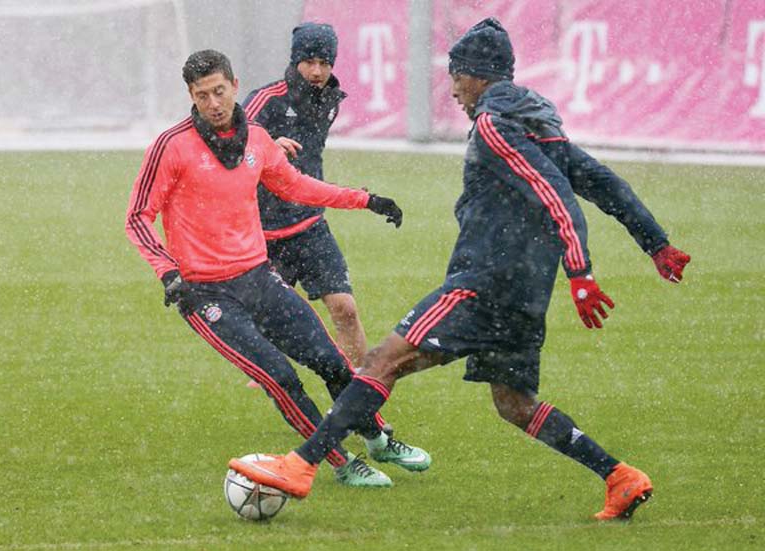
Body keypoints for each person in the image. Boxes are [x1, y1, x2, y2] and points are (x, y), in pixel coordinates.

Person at [229, 19, 691, 521]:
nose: (451, 89)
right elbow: (600, 181)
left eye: (456, 77)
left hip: (481, 285)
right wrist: (656, 243)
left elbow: (559, 197)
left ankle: (301, 465)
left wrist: (581, 273)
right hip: (525, 295)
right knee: (515, 405)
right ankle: (620, 476)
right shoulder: (537, 123)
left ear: (479, 76)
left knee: (383, 360)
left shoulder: (495, 125)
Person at [125, 49, 430, 490]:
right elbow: (138, 216)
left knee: (331, 360)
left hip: (259, 279)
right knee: (280, 376)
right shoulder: (172, 146)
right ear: (190, 96)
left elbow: (296, 185)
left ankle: (378, 437)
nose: (212, 103)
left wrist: (365, 199)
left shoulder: (257, 140)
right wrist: (169, 272)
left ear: (234, 84)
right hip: (205, 295)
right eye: (201, 95)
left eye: (218, 91)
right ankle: (342, 462)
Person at [242, 23, 370, 371]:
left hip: (311, 225)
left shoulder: (330, 101)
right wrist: (267, 145)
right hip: (265, 234)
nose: (317, 71)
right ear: (295, 59)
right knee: (272, 326)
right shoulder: (266, 99)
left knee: (345, 309)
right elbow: (228, 139)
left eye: (324, 63)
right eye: (309, 61)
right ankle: (276, 380)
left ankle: (360, 395)